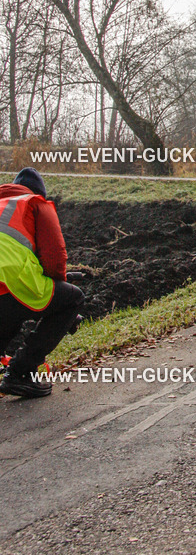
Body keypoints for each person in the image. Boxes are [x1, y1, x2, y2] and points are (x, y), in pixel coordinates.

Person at [0, 168, 83, 398]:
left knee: (10, 310)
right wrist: (60, 288)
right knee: (72, 299)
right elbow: (55, 259)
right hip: (8, 282)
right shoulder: (35, 203)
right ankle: (20, 372)